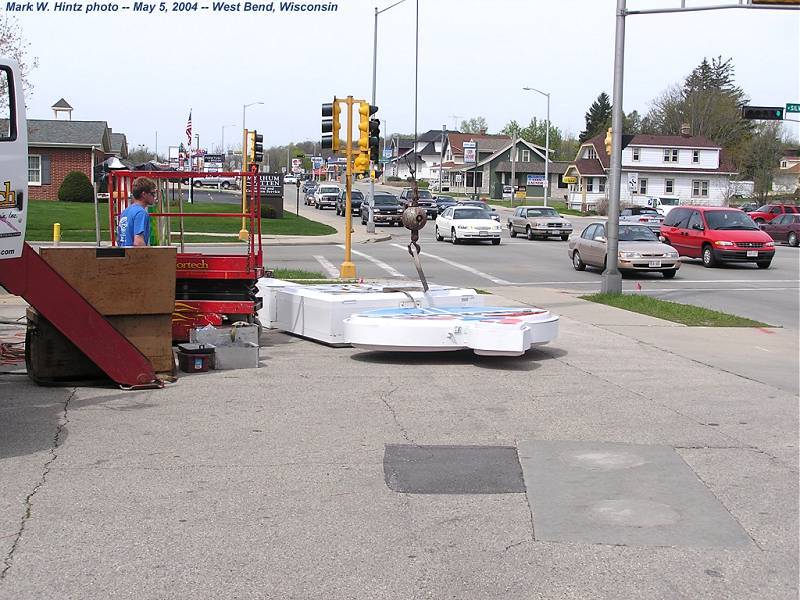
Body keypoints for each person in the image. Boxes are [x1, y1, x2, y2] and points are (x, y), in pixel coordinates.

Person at [118, 177, 157, 247]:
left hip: (123, 254)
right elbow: (138, 242)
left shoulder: (126, 211)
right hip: (134, 256)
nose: (154, 197)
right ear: (144, 194)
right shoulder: (141, 213)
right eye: (153, 193)